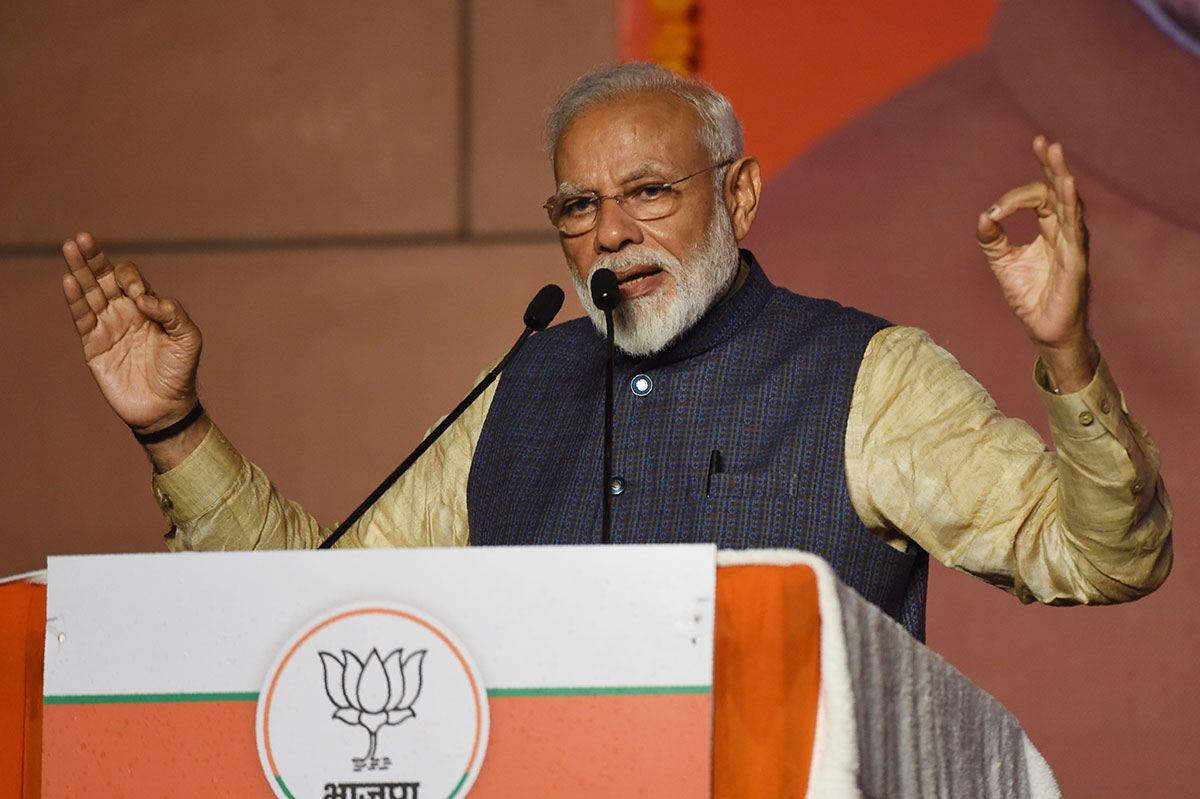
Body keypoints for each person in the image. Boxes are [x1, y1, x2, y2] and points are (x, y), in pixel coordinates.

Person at [60, 63, 1170, 641]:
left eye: (648, 191)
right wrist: (175, 430)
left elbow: (1103, 559)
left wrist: (1068, 356)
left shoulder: (869, 380)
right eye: (578, 205)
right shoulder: (520, 386)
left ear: (738, 192)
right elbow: (313, 616)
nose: (610, 231)